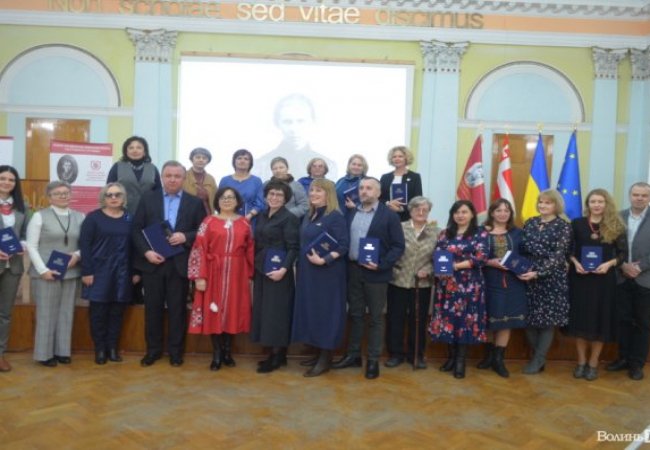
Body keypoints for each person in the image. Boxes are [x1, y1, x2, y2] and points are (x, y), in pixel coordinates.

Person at [132, 161, 206, 367]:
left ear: (184, 178)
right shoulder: (148, 199)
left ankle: (175, 352)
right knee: (152, 310)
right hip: (153, 262)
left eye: (177, 176)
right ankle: (153, 351)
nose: (172, 179)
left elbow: (202, 231)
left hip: (179, 263)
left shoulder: (194, 202)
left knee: (177, 310)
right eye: (168, 175)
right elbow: (136, 229)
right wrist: (146, 252)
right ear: (162, 177)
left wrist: (185, 236)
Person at [332, 177, 405, 380]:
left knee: (375, 317)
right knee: (355, 314)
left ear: (379, 193)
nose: (364, 191)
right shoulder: (351, 212)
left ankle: (373, 359)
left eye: (369, 188)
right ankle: (353, 355)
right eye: (362, 188)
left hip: (377, 273)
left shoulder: (389, 215)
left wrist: (381, 264)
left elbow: (398, 246)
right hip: (353, 270)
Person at [188, 187, 254, 371]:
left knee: (233, 310)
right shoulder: (208, 221)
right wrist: (199, 276)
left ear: (237, 201)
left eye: (231, 197)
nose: (227, 200)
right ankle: (216, 353)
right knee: (214, 310)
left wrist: (249, 274)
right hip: (212, 271)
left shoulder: (245, 223)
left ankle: (227, 352)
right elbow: (198, 248)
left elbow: (250, 249)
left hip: (237, 273)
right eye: (223, 197)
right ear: (217, 201)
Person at [565, 189, 625, 381]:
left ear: (606, 204)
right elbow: (568, 250)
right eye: (593, 201)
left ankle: (593, 364)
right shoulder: (577, 224)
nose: (597, 205)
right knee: (580, 322)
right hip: (580, 279)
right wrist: (575, 263)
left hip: (604, 282)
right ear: (587, 204)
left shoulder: (615, 225)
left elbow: (622, 254)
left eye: (600, 201)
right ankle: (581, 362)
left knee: (600, 322)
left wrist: (608, 264)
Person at [292, 179, 349, 377]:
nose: (313, 194)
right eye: (312, 190)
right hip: (308, 272)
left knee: (326, 313)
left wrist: (324, 260)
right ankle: (318, 353)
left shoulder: (335, 216)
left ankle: (325, 358)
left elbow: (343, 245)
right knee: (313, 311)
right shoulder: (310, 215)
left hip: (327, 274)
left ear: (328, 194)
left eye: (318, 191)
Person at [26, 181, 84, 367]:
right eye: (58, 193)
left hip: (71, 272)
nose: (63, 196)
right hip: (46, 273)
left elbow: (86, 244)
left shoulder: (80, 217)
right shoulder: (39, 216)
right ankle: (44, 354)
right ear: (49, 197)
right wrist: (43, 270)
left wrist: (77, 255)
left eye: (66, 192)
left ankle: (62, 351)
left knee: (67, 312)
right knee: (46, 313)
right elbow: (31, 246)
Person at [429, 200, 488, 379]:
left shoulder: (480, 233)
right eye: (457, 212)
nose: (460, 215)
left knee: (464, 321)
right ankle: (452, 358)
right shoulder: (444, 233)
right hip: (447, 285)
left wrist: (455, 266)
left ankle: (461, 361)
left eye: (464, 212)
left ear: (472, 214)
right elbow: (437, 255)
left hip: (469, 285)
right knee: (449, 319)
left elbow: (481, 258)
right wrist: (440, 269)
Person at [79, 182, 136, 365]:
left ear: (123, 198)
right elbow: (85, 246)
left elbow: (135, 246)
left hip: (123, 273)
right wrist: (87, 271)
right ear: (103, 198)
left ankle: (112, 348)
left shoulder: (130, 218)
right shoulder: (93, 218)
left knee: (117, 313)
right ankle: (100, 349)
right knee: (98, 314)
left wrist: (135, 272)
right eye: (109, 195)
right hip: (99, 273)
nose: (113, 198)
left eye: (117, 194)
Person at [519, 189, 571, 375]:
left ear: (556, 205)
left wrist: (538, 273)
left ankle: (538, 359)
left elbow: (558, 256)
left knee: (547, 322)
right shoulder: (530, 222)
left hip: (551, 278)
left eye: (548, 202)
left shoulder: (563, 226)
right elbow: (521, 249)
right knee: (529, 319)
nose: (543, 205)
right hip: (527, 276)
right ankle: (538, 357)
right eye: (541, 202)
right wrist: (521, 268)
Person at [251, 181, 300, 373]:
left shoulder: (289, 218)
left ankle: (278, 356)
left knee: (277, 313)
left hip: (280, 271)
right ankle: (274, 353)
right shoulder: (262, 215)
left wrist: (284, 270)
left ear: (286, 198)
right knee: (265, 311)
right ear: (265, 196)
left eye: (279, 195)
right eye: (271, 194)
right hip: (261, 268)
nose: (274, 198)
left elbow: (293, 248)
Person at [385, 196, 438, 370]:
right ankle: (396, 354)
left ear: (429, 212)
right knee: (395, 319)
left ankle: (416, 355)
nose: (421, 212)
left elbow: (438, 258)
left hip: (421, 283)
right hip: (398, 279)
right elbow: (389, 249)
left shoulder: (436, 232)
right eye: (417, 209)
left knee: (419, 321)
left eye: (425, 209)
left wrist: (428, 270)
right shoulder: (399, 227)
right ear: (410, 210)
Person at [478, 198, 528, 378]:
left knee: (506, 321)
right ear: (492, 213)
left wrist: (523, 269)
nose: (502, 214)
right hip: (487, 280)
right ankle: (489, 356)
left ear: (510, 213)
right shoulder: (481, 232)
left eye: (506, 210)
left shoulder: (518, 233)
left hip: (513, 282)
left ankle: (499, 359)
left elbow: (526, 256)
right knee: (489, 319)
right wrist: (489, 262)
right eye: (498, 210)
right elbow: (473, 254)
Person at [607, 182, 650, 381]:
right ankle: (623, 358)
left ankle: (637, 363)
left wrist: (640, 267)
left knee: (642, 323)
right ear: (629, 195)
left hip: (645, 279)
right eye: (636, 194)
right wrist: (622, 265)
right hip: (621, 277)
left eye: (644, 195)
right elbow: (610, 245)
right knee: (622, 321)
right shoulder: (618, 217)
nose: (639, 198)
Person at [255, 93, 338, 181]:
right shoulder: (262, 165)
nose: (294, 129)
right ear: (277, 123)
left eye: (300, 121)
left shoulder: (329, 166)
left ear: (312, 121)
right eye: (287, 122)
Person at [0, 166, 28, 372]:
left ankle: (0, 353)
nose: (7, 182)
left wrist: (21, 245)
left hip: (13, 267)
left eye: (11, 179)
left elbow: (25, 234)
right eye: (3, 178)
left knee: (5, 314)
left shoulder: (22, 207)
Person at [106, 136, 162, 216]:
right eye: (131, 148)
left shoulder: (152, 168)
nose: (135, 150)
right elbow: (109, 190)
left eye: (139, 147)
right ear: (126, 151)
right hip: (121, 211)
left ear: (144, 151)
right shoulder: (117, 167)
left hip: (148, 212)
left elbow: (158, 192)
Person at [219, 149, 265, 222]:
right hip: (228, 219)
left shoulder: (256, 181)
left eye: (246, 159)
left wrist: (249, 216)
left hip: (250, 219)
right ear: (234, 162)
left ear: (250, 163)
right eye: (239, 158)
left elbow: (260, 203)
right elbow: (219, 200)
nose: (242, 161)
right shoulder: (225, 180)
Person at [379, 146, 423, 222]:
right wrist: (388, 203)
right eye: (394, 157)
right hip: (387, 217)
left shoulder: (415, 177)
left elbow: (418, 199)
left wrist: (401, 208)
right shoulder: (385, 177)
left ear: (406, 158)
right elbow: (378, 198)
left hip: (407, 218)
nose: (397, 159)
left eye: (400, 156)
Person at [183, 147, 217, 215]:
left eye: (204, 158)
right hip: (187, 213)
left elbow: (216, 198)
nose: (201, 160)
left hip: (207, 214)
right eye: (198, 157)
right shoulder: (184, 176)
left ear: (207, 161)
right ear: (192, 159)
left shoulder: (211, 179)